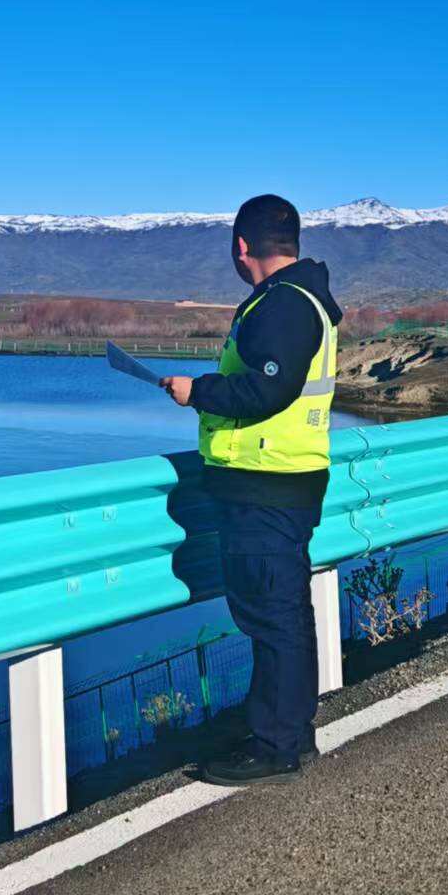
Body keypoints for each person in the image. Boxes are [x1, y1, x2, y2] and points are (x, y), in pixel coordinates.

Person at [161, 194, 342, 786]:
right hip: (278, 482)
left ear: (242, 248)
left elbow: (268, 390)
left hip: (268, 486)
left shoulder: (284, 305)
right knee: (280, 611)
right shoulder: (295, 299)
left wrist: (200, 393)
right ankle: (288, 732)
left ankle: (276, 744)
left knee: (272, 615)